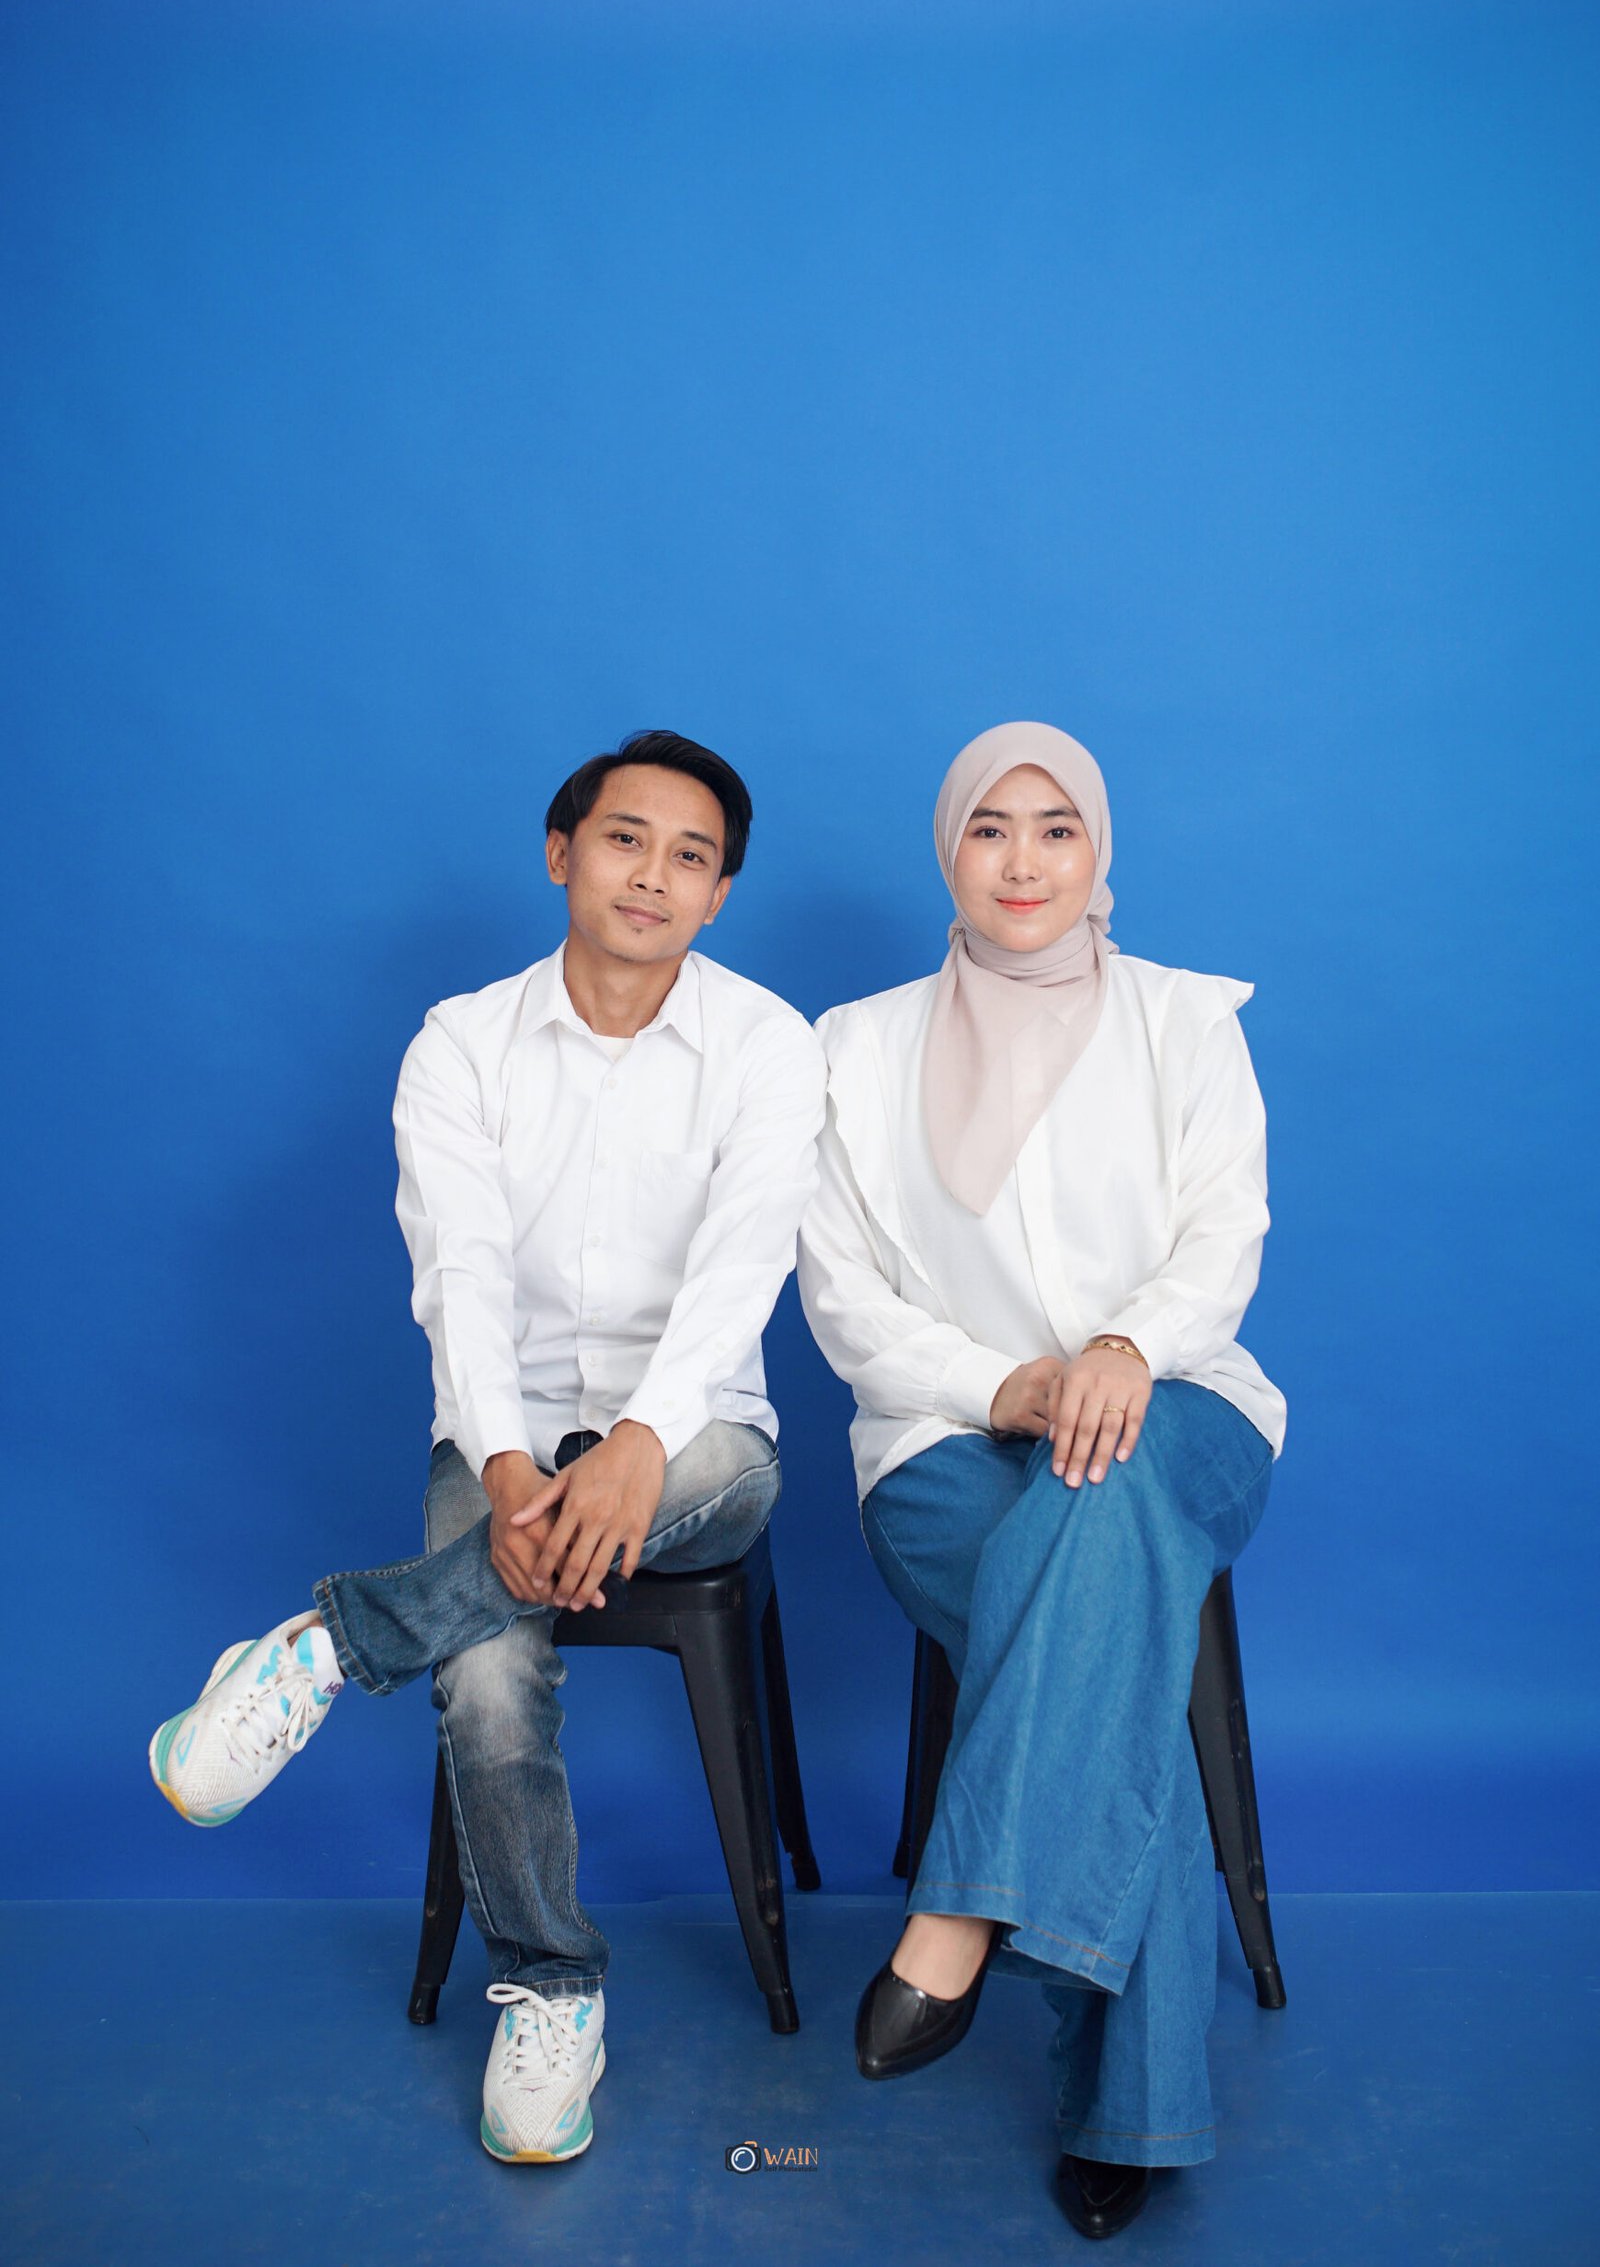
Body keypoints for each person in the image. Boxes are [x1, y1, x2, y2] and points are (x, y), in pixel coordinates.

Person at [149, 729, 826, 2168]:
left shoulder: (770, 1044)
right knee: (491, 1671)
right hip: (501, 1420)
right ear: (562, 851)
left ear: (719, 896)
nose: (652, 876)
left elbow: (744, 1266)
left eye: (691, 857)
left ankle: (328, 1649)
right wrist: (513, 1471)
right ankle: (555, 1988)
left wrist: (639, 1441)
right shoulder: (460, 1043)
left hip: (701, 1437)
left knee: (700, 1475)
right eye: (625, 838)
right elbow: (458, 1271)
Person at [795, 721, 1286, 2241]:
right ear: (948, 851)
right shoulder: (853, 1047)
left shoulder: (1185, 1022)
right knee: (1109, 1623)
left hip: (1179, 1411)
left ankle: (956, 1913)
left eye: (1056, 827)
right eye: (989, 828)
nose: (1024, 862)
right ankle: (1133, 2112)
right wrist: (1002, 1384)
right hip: (945, 1445)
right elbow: (842, 1296)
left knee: (1108, 1497)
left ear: (1100, 851)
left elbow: (1225, 1233)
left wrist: (1126, 1346)